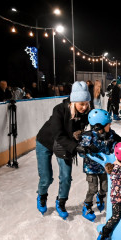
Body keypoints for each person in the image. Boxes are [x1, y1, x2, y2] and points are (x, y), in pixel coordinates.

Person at [35, 81, 91, 219]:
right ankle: (42, 196)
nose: (84, 107)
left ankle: (61, 202)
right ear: (73, 101)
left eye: (86, 103)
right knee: (46, 178)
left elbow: (84, 131)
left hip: (65, 146)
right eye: (81, 104)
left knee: (66, 177)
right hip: (46, 142)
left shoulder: (86, 112)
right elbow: (58, 135)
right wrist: (76, 147)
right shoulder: (59, 110)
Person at [78, 109, 121, 222]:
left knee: (105, 187)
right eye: (108, 124)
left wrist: (119, 144)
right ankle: (87, 206)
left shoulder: (110, 134)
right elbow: (80, 152)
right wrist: (86, 149)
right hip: (91, 169)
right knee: (92, 189)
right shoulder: (88, 137)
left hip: (104, 167)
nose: (110, 126)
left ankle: (101, 197)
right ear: (99, 126)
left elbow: (116, 144)